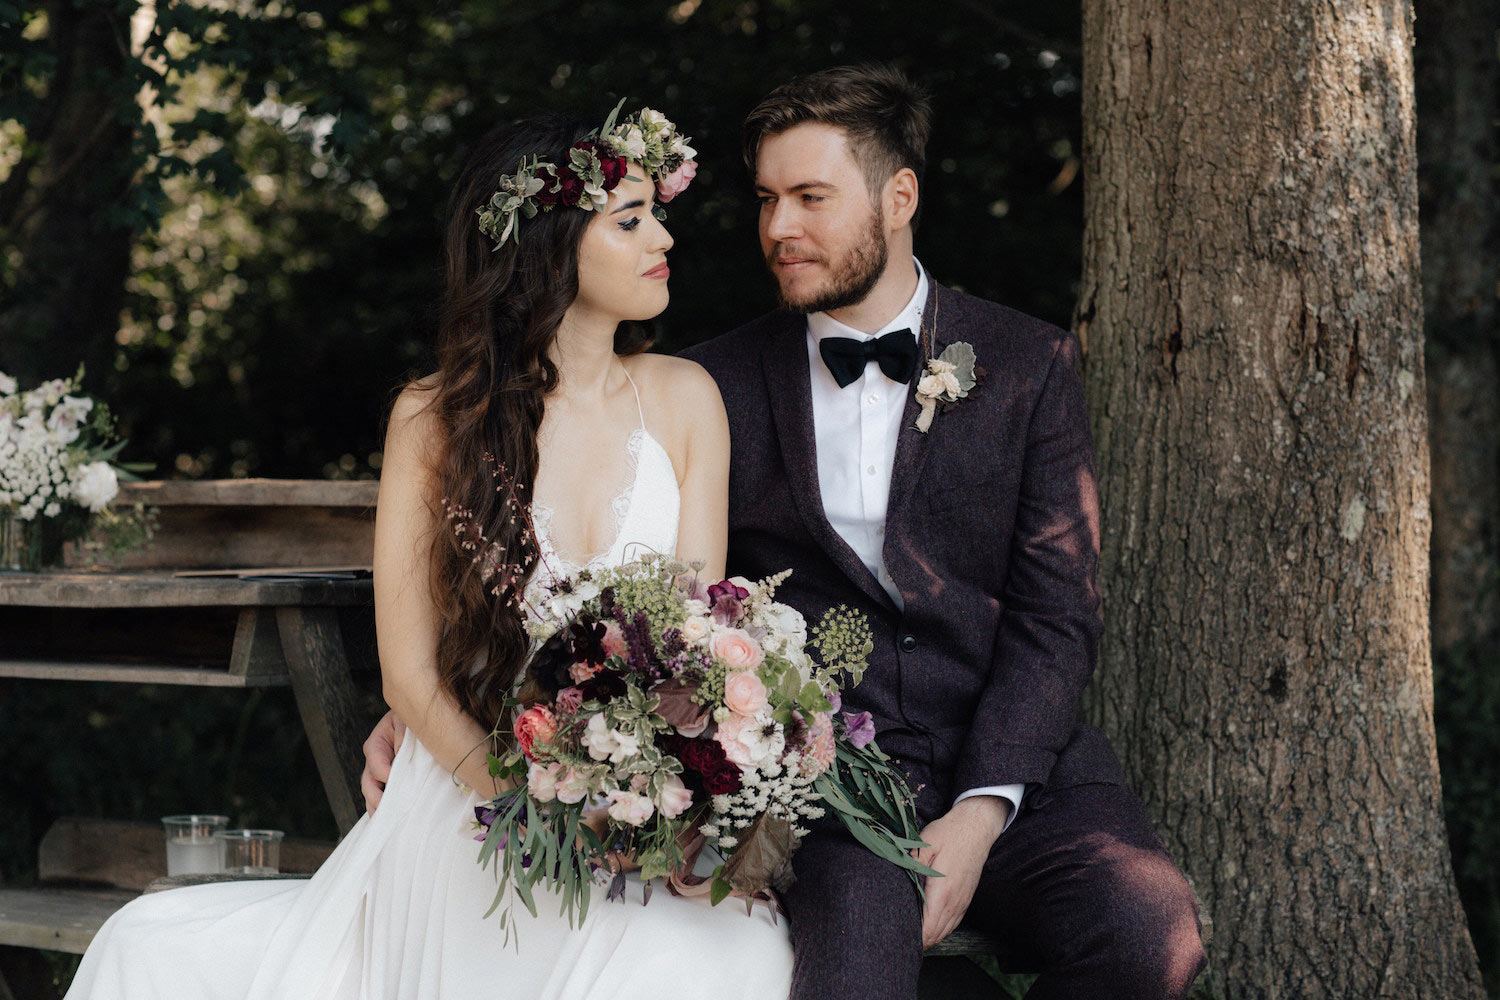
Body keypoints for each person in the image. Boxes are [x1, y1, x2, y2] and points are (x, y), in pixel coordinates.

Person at [363, 63, 1212, 1000]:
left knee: (1148, 936)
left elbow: (1058, 620)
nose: (776, 229)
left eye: (810, 198)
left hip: (1013, 775)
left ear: (899, 198)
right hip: (828, 790)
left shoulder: (1028, 365)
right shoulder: (710, 383)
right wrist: (426, 709)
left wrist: (980, 812)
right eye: (766, 199)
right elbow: (597, 572)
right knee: (852, 970)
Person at [63, 106, 794, 1000]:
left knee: (727, 957)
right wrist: (536, 811)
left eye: (657, 212)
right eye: (632, 218)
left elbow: (697, 643)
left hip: (642, 816)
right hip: (477, 794)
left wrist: (667, 804)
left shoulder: (687, 398)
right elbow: (409, 676)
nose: (664, 237)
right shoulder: (435, 417)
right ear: (549, 243)